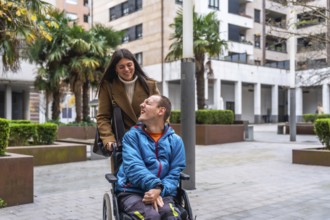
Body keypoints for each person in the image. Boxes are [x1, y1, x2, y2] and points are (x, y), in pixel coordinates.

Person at [116, 95, 186, 220]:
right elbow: (134, 167)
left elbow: (174, 173)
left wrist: (160, 190)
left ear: (161, 111)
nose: (141, 105)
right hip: (132, 191)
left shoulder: (176, 141)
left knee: (171, 216)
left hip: (163, 193)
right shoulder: (132, 137)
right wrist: (156, 186)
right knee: (151, 216)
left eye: (147, 103)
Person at [97, 48, 159, 153]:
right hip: (122, 143)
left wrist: (161, 134)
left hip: (149, 141)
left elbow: (160, 111)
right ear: (115, 69)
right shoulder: (108, 86)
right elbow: (103, 117)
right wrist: (108, 139)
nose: (126, 69)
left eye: (129, 65)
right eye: (121, 67)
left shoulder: (149, 85)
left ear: (134, 64)